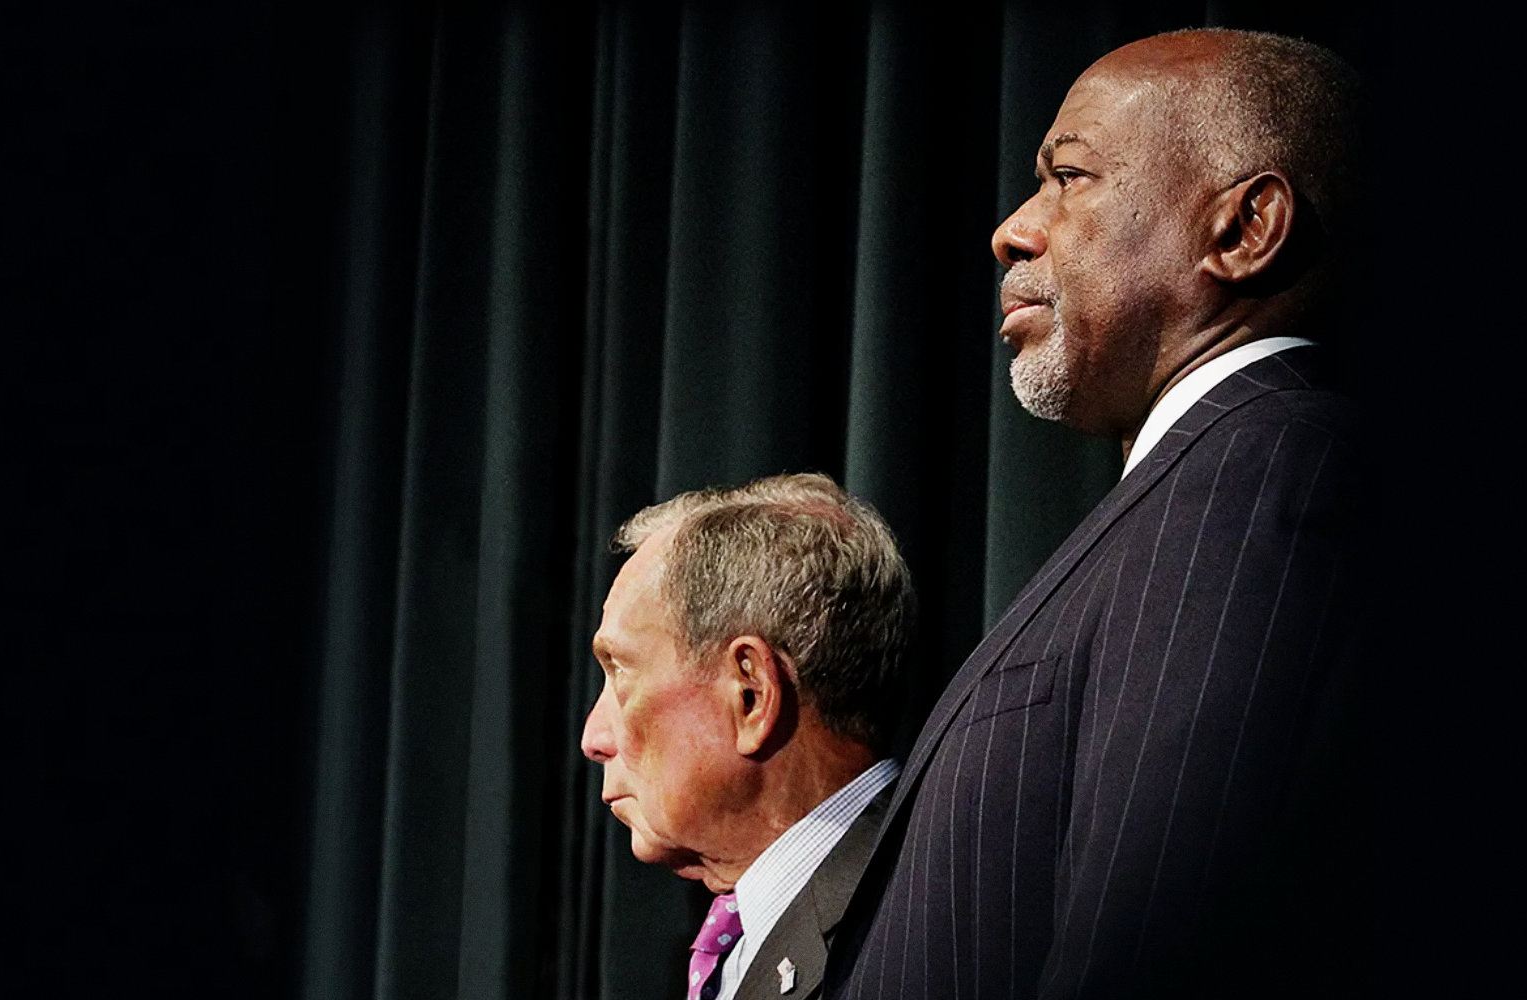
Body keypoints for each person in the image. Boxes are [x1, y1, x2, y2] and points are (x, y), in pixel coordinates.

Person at [832, 28, 1372, 998]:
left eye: (1067, 176)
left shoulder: (1264, 476)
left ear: (1244, 229)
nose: (1012, 228)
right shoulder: (1201, 486)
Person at [582, 473, 917, 1000]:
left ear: (750, 695)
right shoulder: (748, 937)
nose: (594, 737)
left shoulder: (921, 922)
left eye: (620, 673)